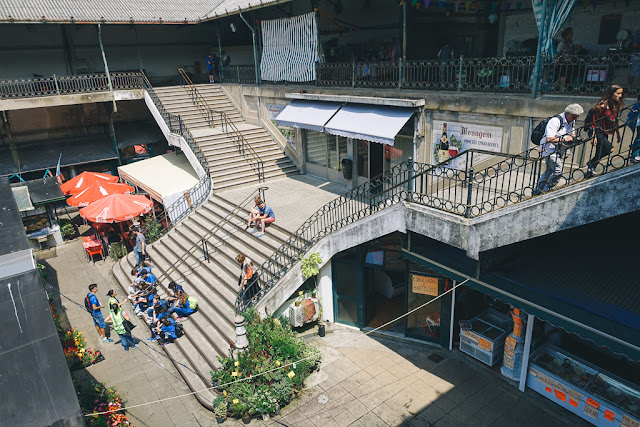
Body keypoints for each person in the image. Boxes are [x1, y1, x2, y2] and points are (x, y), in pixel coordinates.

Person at [533, 103, 584, 195]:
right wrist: (564, 139)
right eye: (574, 116)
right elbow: (549, 138)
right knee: (558, 170)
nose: (575, 119)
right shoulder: (555, 121)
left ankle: (538, 190)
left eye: (577, 117)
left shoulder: (571, 121)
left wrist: (574, 138)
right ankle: (547, 190)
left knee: (549, 170)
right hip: (549, 148)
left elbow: (572, 133)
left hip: (559, 148)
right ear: (568, 113)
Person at [586, 84, 624, 177]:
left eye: (621, 93)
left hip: (604, 132)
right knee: (609, 149)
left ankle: (591, 168)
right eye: (618, 93)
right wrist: (593, 136)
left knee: (599, 151)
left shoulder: (615, 106)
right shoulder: (602, 106)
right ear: (611, 93)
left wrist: (618, 134)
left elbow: (615, 120)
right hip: (598, 131)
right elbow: (594, 121)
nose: (620, 96)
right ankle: (591, 164)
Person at [627, 94, 640, 164]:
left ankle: (635, 152)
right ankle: (635, 155)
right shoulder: (637, 104)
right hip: (638, 122)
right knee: (639, 138)